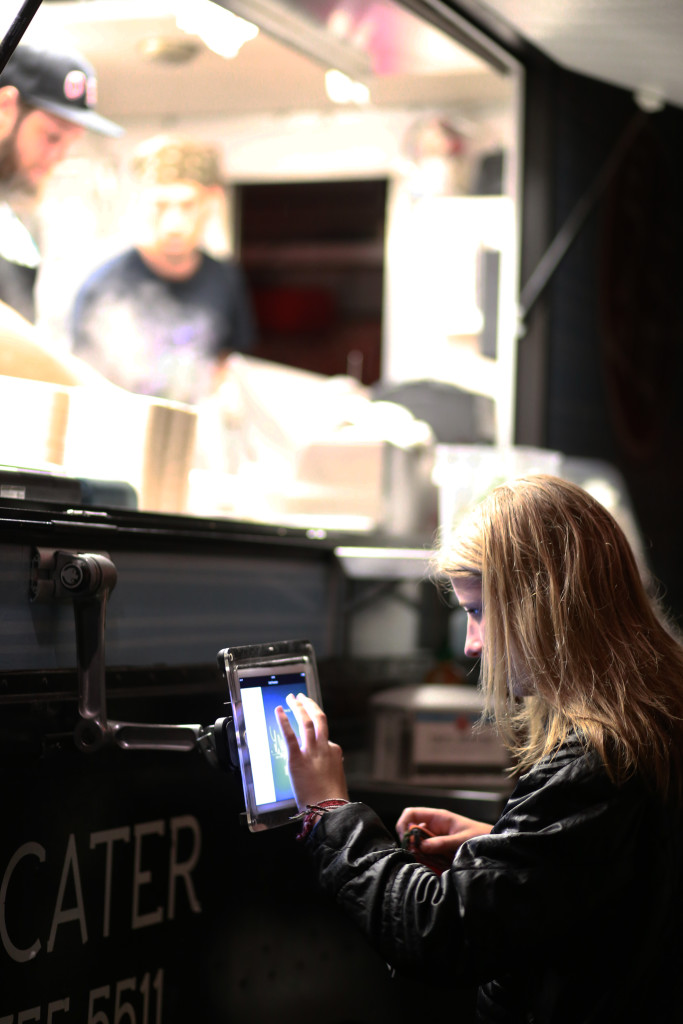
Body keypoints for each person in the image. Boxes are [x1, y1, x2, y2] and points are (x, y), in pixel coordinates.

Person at [276, 474, 683, 1023]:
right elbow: (620, 872)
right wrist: (508, 848)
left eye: (477, 611)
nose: (472, 644)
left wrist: (329, 810)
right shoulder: (659, 710)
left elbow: (439, 933)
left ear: (540, 606)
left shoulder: (597, 760)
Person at [70, 134, 255, 406]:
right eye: (160, 206)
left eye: (188, 205)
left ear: (212, 201)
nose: (174, 223)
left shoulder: (225, 279)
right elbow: (82, 383)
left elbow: (229, 363)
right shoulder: (104, 288)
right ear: (139, 203)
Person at [0, 43, 122, 321]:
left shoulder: (16, 222)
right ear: (4, 107)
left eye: (70, 144)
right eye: (52, 137)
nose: (59, 158)